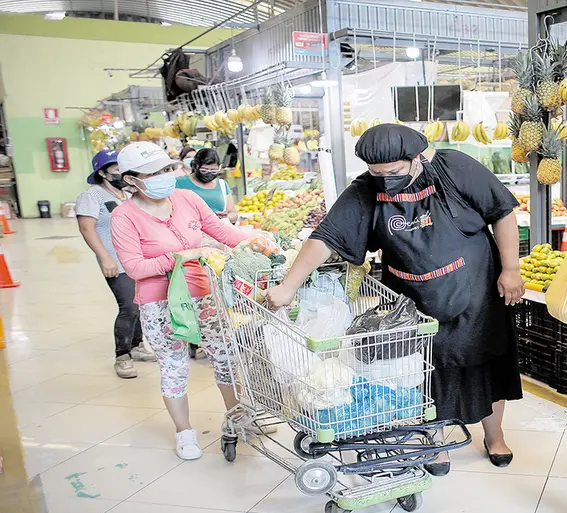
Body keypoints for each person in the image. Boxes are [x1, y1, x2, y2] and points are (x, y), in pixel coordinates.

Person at [266, 124, 525, 475]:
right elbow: (326, 236)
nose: (385, 179)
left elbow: (502, 212)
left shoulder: (453, 168)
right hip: (412, 301)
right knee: (422, 372)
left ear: (416, 157)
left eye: (394, 172)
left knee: (485, 361)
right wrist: (289, 286)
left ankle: (495, 437)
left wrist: (511, 269)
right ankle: (434, 441)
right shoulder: (366, 190)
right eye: (377, 173)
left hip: (474, 291)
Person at [110, 142, 249, 460]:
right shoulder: (124, 217)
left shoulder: (187, 198)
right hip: (160, 303)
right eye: (153, 172)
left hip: (204, 295)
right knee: (174, 367)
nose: (164, 176)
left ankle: (239, 416)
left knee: (225, 357)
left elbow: (221, 231)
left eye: (166, 168)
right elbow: (134, 268)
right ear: (132, 179)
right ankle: (184, 432)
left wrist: (259, 240)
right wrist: (182, 256)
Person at [75, 150, 156, 379]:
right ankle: (123, 356)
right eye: (116, 169)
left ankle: (138, 345)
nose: (121, 173)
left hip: (138, 260)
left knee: (141, 303)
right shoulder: (92, 196)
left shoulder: (129, 194)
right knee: (129, 307)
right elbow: (86, 229)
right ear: (102, 172)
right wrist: (105, 258)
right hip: (116, 262)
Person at [177, 148, 238, 223]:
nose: (208, 173)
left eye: (213, 171)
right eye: (204, 170)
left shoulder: (222, 185)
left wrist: (225, 218)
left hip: (217, 231)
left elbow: (233, 213)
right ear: (196, 166)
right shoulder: (179, 183)